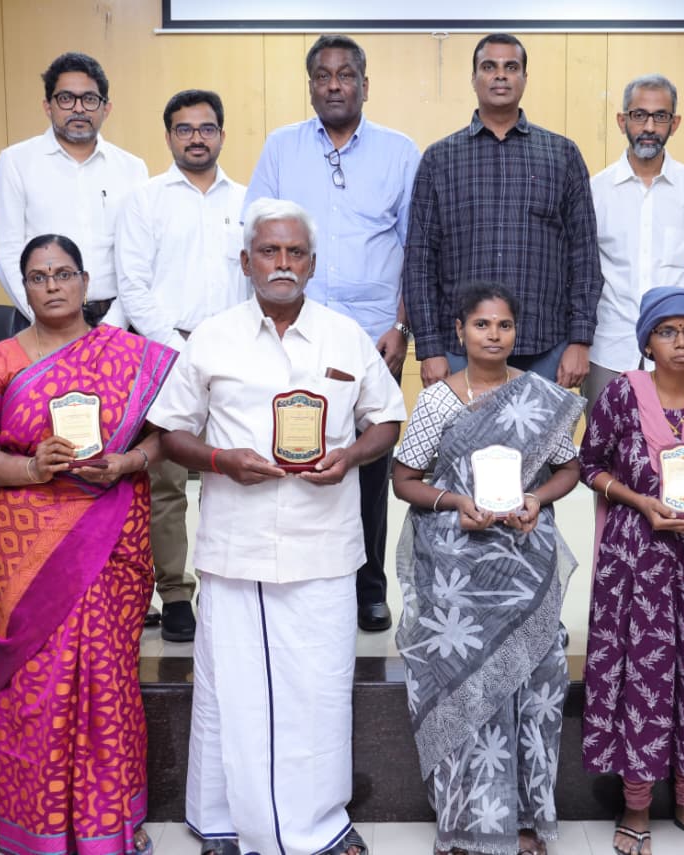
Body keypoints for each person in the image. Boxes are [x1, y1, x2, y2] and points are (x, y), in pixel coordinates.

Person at [148, 198, 405, 855]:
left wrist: (351, 455)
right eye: (269, 251)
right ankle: (225, 820)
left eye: (295, 252)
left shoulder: (345, 336)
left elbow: (386, 418)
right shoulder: (212, 337)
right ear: (246, 262)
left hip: (325, 543)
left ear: (312, 264)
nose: (282, 263)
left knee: (319, 688)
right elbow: (170, 431)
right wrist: (220, 460)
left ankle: (313, 820)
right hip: (241, 544)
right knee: (232, 689)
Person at [0, 234, 177, 855]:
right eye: (38, 276)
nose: (52, 285)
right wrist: (30, 468)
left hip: (110, 530)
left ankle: (112, 820)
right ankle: (37, 825)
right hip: (29, 542)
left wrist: (127, 461)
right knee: (36, 685)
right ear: (24, 287)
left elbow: (168, 433)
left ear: (85, 281)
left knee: (109, 678)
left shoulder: (131, 354)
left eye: (63, 273)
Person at [392, 283, 583, 855]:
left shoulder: (539, 396)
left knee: (535, 681)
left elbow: (568, 469)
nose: (493, 336)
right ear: (459, 331)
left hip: (523, 562)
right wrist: (455, 501)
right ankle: (463, 818)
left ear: (516, 332)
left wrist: (537, 498)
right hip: (455, 569)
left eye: (504, 325)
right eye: (481, 325)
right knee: (464, 686)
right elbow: (404, 480)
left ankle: (524, 818)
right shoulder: (437, 401)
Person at [246, 33, 421, 633]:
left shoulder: (399, 152)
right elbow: (255, 236)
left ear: (365, 85)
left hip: (373, 337)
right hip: (292, 330)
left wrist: (401, 327)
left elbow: (416, 249)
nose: (334, 85)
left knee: (367, 463)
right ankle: (297, 573)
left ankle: (368, 587)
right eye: (322, 76)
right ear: (311, 86)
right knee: (291, 448)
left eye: (346, 75)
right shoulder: (282, 147)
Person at [580, 286, 684, 855]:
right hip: (637, 559)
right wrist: (639, 501)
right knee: (643, 677)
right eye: (667, 332)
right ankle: (636, 807)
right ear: (647, 341)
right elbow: (590, 465)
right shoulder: (622, 394)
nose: (681, 343)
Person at [115, 88, 249, 641]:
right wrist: (179, 349)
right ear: (169, 136)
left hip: (235, 357)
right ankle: (175, 593)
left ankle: (234, 584)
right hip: (162, 355)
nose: (197, 138)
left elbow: (255, 283)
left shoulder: (248, 202)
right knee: (165, 481)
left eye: (206, 128)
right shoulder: (144, 200)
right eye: (185, 129)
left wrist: (232, 347)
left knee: (236, 474)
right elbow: (133, 285)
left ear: (222, 134)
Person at [403, 32, 601, 391]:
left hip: (545, 348)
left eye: (511, 67)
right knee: (462, 433)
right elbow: (419, 260)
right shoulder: (440, 159)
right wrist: (429, 348)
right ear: (473, 78)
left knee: (542, 433)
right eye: (489, 67)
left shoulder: (562, 155)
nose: (500, 75)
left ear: (524, 78)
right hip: (459, 351)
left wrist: (580, 340)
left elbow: (584, 256)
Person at [587, 73, 684, 417]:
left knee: (675, 444)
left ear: (675, 123)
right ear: (622, 121)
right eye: (639, 115)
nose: (648, 126)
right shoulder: (595, 191)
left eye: (660, 116)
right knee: (606, 444)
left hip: (675, 350)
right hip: (609, 348)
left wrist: (668, 325)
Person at [0, 52, 148, 326]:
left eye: (89, 99)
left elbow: (140, 256)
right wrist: (44, 318)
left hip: (117, 321)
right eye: (66, 98)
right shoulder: (16, 161)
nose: (78, 109)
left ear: (106, 108)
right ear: (48, 106)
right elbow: (7, 252)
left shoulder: (132, 168)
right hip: (41, 322)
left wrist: (114, 325)